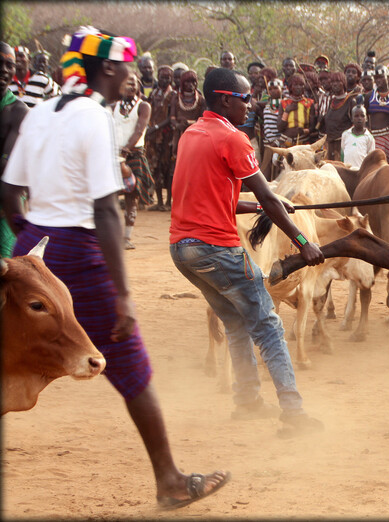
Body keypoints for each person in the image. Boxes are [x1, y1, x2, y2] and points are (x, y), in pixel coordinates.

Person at [2, 26, 229, 510]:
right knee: (132, 368)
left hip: (32, 251)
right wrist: (123, 293)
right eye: (125, 65)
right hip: (79, 254)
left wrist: (29, 241)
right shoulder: (93, 117)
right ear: (106, 67)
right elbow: (105, 209)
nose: (131, 73)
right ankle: (169, 481)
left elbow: (7, 191)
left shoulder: (38, 112)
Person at [169, 66, 326, 436]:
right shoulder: (234, 139)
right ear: (225, 99)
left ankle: (248, 401)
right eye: (245, 98)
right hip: (214, 248)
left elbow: (209, 196)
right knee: (269, 325)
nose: (250, 105)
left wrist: (257, 208)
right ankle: (293, 413)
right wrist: (303, 243)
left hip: (182, 249)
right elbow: (268, 195)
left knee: (236, 320)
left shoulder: (192, 134)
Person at [112, 74, 155, 249]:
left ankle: (126, 237)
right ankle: (113, 235)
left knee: (132, 197)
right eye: (126, 84)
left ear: (138, 87)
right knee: (111, 196)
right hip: (115, 155)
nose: (130, 87)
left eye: (133, 85)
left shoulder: (143, 106)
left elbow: (139, 129)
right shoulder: (114, 106)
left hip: (134, 155)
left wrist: (125, 150)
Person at [0, 42, 28, 257]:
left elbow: (5, 165)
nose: (4, 70)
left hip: (4, 208)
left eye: (9, 65)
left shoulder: (17, 111)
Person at [168, 70, 205, 207]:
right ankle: (177, 199)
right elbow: (172, 119)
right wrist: (178, 124)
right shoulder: (175, 98)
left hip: (196, 137)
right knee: (177, 167)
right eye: (188, 82)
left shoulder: (200, 100)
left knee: (194, 168)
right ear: (182, 83)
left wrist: (191, 123)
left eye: (194, 81)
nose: (191, 85)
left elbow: (203, 119)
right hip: (179, 136)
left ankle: (192, 199)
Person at [145, 65, 174, 211]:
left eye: (167, 77)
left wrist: (156, 127)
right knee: (155, 167)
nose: (164, 80)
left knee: (167, 168)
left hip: (166, 136)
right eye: (162, 77)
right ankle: (160, 202)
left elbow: (170, 118)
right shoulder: (154, 93)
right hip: (153, 136)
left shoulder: (172, 95)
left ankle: (169, 201)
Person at [365, 64, 389, 162]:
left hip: (388, 137)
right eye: (376, 78)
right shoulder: (369, 96)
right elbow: (365, 118)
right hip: (373, 137)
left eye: (381, 77)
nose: (378, 80)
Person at [319, 71, 354, 161]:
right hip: (329, 144)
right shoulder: (332, 101)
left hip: (342, 144)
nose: (335, 84)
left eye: (338, 82)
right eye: (333, 82)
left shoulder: (350, 101)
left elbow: (354, 125)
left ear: (344, 84)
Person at [278, 73, 316, 146]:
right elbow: (280, 128)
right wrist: (287, 111)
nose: (298, 87)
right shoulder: (284, 103)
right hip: (286, 141)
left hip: (303, 141)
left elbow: (312, 127)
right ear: (290, 87)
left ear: (304, 87)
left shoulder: (309, 103)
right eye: (295, 85)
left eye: (301, 85)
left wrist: (304, 131)